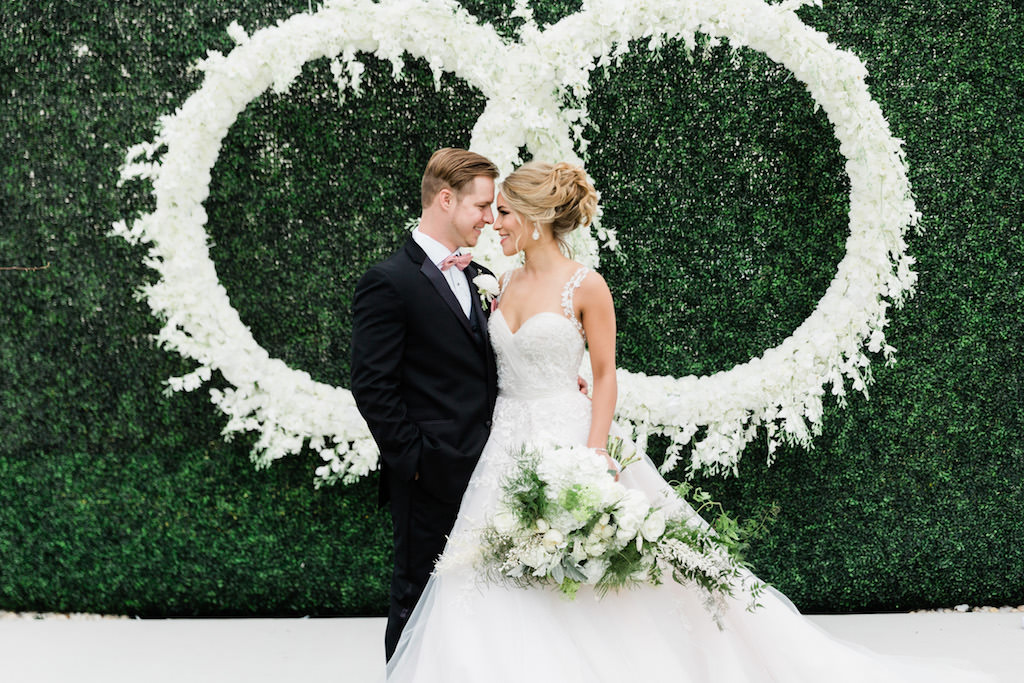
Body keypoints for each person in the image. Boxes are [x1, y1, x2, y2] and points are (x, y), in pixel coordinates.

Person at [383, 160, 994, 682]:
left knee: (600, 570)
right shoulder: (499, 282)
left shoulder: (586, 286)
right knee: (488, 572)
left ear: (535, 217)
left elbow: (604, 375)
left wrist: (594, 453)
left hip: (570, 436)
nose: (495, 223)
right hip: (505, 444)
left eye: (505, 213)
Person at [350, 147, 500, 660]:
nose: (489, 217)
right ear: (444, 199)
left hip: (489, 467)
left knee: (480, 603)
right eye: (482, 206)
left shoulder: (480, 275)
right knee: (417, 598)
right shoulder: (388, 281)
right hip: (429, 473)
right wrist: (415, 463)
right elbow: (372, 385)